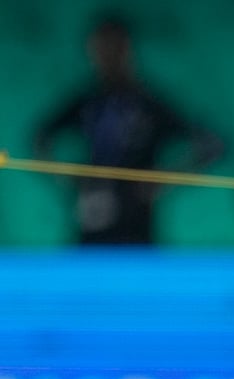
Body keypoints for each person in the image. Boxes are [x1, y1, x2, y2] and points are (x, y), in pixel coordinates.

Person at [34, 14, 224, 245]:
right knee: (89, 273)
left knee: (135, 274)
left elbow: (211, 145)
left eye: (113, 47)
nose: (106, 57)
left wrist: (164, 180)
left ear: (127, 49)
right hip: (92, 217)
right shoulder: (88, 101)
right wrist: (69, 178)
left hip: (136, 223)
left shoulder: (149, 104)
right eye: (99, 49)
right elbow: (41, 137)